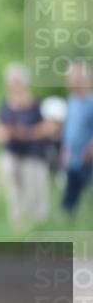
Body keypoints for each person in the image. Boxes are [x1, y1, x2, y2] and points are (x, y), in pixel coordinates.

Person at [0, 63, 52, 227]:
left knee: (34, 189)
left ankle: (37, 224)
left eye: (15, 82)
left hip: (34, 153)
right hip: (12, 152)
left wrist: (27, 133)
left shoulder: (38, 103)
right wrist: (6, 133)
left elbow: (50, 127)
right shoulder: (5, 104)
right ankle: (18, 224)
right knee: (13, 189)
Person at [61, 61, 93, 217]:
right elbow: (69, 127)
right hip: (72, 154)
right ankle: (68, 213)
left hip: (87, 154)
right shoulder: (72, 100)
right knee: (71, 184)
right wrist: (65, 147)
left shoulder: (91, 102)